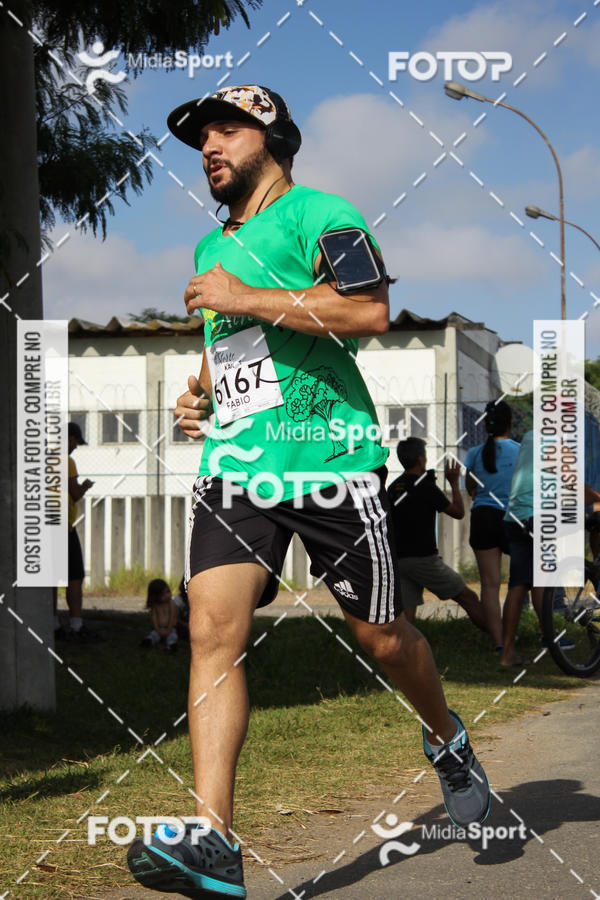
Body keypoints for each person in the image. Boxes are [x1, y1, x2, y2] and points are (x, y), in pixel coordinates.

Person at [126, 85, 490, 898]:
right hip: (240, 469)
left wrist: (240, 296)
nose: (210, 147)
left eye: (226, 130)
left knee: (384, 638)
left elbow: (368, 312)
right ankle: (216, 842)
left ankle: (447, 739)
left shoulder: (325, 213)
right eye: (202, 139)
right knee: (211, 632)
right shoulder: (206, 249)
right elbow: (244, 353)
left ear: (274, 136)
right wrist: (206, 396)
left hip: (331, 462)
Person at [387, 437, 487, 631]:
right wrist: (454, 482)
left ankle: (404, 655)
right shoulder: (425, 486)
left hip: (399, 560)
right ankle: (501, 640)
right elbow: (458, 512)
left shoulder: (393, 488)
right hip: (423, 560)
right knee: (468, 598)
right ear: (420, 459)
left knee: (407, 614)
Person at [465, 401, 520, 650]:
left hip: (483, 517)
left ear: (485, 424)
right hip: (513, 518)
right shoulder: (520, 451)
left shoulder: (474, 453)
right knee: (520, 582)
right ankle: (516, 637)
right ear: (510, 423)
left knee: (489, 584)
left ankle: (498, 643)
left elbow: (470, 488)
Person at [53, 421, 96, 641]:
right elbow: (75, 493)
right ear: (68, 438)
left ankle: (51, 623)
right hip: (63, 526)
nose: (75, 447)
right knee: (75, 575)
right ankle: (76, 625)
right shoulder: (66, 461)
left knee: (50, 577)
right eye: (75, 442)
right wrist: (86, 486)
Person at [140, 578, 179, 652]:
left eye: (168, 591)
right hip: (159, 628)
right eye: (163, 594)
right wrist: (157, 629)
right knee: (153, 635)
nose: (167, 595)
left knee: (172, 636)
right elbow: (154, 618)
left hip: (170, 628)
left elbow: (172, 617)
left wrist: (168, 630)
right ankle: (148, 641)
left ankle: (171, 646)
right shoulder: (155, 605)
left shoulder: (171, 603)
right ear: (156, 596)